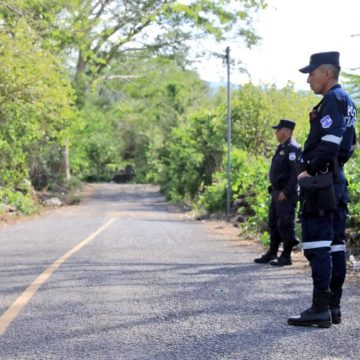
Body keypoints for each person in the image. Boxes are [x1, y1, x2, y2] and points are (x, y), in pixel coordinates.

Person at [288, 52, 357, 328]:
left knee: (318, 245)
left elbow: (328, 145)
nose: (308, 80)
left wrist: (311, 171)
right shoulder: (347, 101)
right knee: (335, 245)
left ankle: (320, 308)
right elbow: (349, 145)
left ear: (327, 73)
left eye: (312, 73)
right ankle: (333, 308)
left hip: (323, 182)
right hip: (336, 180)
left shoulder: (333, 100)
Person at [254, 119, 301, 266]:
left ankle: (286, 256)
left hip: (285, 194)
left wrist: (286, 191)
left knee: (285, 224)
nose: (276, 132)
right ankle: (272, 252)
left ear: (286, 131)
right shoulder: (281, 147)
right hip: (276, 193)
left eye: (278, 130)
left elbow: (296, 174)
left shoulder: (293, 148)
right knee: (273, 223)